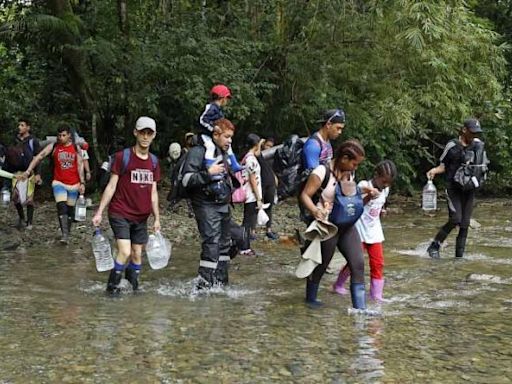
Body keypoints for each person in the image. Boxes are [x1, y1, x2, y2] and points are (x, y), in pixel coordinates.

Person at [300, 139, 375, 309]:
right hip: (327, 225)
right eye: (354, 164)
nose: (355, 168)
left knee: (358, 264)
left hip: (347, 225)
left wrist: (367, 192)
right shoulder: (321, 172)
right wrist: (315, 211)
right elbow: (305, 195)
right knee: (321, 265)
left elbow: (348, 195)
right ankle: (310, 300)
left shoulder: (349, 173)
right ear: (344, 158)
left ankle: (360, 309)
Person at [92, 116, 161, 294]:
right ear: (135, 133)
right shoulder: (124, 157)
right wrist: (99, 212)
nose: (145, 137)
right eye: (142, 133)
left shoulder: (153, 162)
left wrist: (157, 218)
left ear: (153, 136)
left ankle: (133, 288)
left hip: (141, 216)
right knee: (124, 251)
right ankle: (112, 288)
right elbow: (111, 186)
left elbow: (153, 192)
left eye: (149, 133)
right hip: (120, 212)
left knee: (137, 253)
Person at [332, 160, 398, 302]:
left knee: (378, 262)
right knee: (354, 262)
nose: (385, 185)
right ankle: (338, 285)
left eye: (389, 183)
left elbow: (381, 202)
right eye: (384, 181)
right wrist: (369, 196)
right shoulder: (363, 185)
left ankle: (376, 294)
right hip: (359, 230)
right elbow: (356, 204)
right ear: (376, 175)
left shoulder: (385, 190)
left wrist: (383, 209)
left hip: (374, 231)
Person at [182, 118, 235, 289]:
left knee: (225, 244)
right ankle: (203, 288)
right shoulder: (197, 152)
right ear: (216, 134)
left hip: (223, 204)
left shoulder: (223, 152)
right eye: (227, 137)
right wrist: (208, 173)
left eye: (231, 137)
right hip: (205, 204)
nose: (230, 140)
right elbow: (187, 179)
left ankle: (221, 285)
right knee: (211, 244)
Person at [426, 118, 485, 259]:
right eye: (472, 132)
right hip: (453, 188)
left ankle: (459, 257)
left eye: (476, 133)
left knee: (464, 224)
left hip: (469, 189)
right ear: (464, 130)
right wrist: (434, 170)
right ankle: (434, 245)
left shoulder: (477, 147)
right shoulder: (452, 145)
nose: (474, 136)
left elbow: (481, 166)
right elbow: (443, 165)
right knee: (455, 219)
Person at [21, 124, 85, 243]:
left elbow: (80, 165)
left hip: (74, 183)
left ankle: (67, 232)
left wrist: (82, 182)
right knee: (61, 206)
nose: (61, 138)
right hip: (58, 182)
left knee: (70, 210)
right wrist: (28, 171)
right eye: (59, 135)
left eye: (64, 135)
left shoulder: (76, 148)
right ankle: (64, 235)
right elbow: (39, 156)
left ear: (69, 135)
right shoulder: (54, 146)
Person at [5, 118, 42, 230]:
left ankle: (29, 222)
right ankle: (21, 218)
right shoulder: (14, 140)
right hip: (16, 173)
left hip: (29, 172)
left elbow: (38, 158)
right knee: (15, 197)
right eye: (19, 125)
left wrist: (38, 174)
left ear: (28, 127)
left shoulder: (33, 141)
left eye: (22, 125)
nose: (19, 127)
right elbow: (9, 155)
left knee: (29, 199)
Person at [199, 84, 243, 174]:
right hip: (206, 134)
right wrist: (213, 128)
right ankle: (209, 165)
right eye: (227, 98)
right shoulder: (210, 107)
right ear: (222, 97)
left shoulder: (219, 110)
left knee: (228, 145)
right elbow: (202, 120)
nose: (227, 101)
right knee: (210, 147)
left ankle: (234, 164)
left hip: (215, 135)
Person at [242, 133, 263, 249]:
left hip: (251, 194)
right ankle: (244, 247)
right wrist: (258, 198)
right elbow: (253, 179)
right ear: (256, 144)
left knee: (248, 221)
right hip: (251, 195)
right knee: (248, 222)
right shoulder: (251, 159)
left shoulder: (249, 157)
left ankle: (245, 246)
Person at [257, 137, 279, 240]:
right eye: (267, 145)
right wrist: (260, 143)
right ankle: (252, 231)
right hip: (260, 183)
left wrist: (276, 179)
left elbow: (274, 170)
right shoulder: (258, 154)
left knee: (269, 207)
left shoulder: (272, 157)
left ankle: (268, 230)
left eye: (271, 146)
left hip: (270, 183)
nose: (269, 148)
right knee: (257, 206)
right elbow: (256, 153)